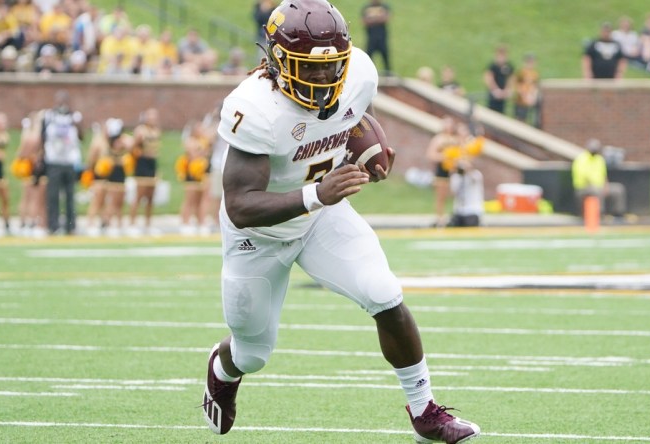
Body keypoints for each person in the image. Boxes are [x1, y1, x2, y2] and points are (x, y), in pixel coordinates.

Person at [201, 2, 480, 443]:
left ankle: (425, 410)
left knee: (384, 294)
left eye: (332, 67)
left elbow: (350, 115)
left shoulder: (358, 74)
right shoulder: (253, 107)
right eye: (308, 69)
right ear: (277, 60)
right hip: (259, 235)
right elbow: (240, 203)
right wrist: (317, 193)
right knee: (252, 353)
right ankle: (222, 368)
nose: (323, 79)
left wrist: (366, 148)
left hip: (321, 218)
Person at [39, 90, 83, 235]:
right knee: (53, 195)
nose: (62, 103)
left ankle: (71, 226)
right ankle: (53, 225)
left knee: (70, 195)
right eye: (59, 100)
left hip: (69, 161)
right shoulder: (49, 116)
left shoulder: (74, 116)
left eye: (64, 100)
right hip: (54, 161)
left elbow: (82, 136)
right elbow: (42, 137)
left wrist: (77, 124)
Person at [571, 138, 627, 219]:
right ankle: (600, 215)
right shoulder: (581, 159)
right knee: (596, 191)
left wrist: (606, 186)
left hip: (599, 186)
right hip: (583, 188)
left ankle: (618, 214)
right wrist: (599, 187)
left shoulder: (600, 159)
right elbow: (584, 177)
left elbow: (604, 176)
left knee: (618, 189)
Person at [128, 108, 161, 235]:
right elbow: (133, 147)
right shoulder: (140, 131)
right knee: (139, 195)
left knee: (151, 196)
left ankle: (148, 224)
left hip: (152, 163)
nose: (154, 119)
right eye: (151, 116)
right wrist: (138, 153)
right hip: (142, 163)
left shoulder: (156, 131)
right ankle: (132, 224)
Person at [425, 116, 458, 227]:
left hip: (453, 171)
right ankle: (440, 217)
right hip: (441, 172)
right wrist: (444, 156)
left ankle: (452, 216)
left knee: (453, 195)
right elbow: (431, 154)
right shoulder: (438, 139)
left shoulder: (455, 139)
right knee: (441, 195)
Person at [448, 158, 484, 227]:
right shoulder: (456, 177)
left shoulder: (476, 174)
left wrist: (467, 170)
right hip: (459, 211)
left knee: (470, 224)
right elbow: (452, 193)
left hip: (472, 210)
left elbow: (474, 179)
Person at [360, 0, 391, 74]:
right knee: (369, 59)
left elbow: (387, 18)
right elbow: (363, 21)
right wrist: (378, 17)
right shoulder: (366, 7)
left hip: (382, 38)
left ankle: (388, 76)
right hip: (371, 39)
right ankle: (368, 74)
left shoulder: (384, 7)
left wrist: (372, 18)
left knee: (386, 59)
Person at [483, 45, 513, 114]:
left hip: (503, 94)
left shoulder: (508, 66)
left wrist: (507, 89)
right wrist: (495, 89)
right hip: (494, 95)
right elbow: (488, 78)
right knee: (492, 112)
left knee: (501, 112)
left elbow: (511, 78)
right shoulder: (493, 66)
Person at [513, 53, 540, 127]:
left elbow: (535, 86)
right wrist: (524, 96)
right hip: (521, 101)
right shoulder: (521, 72)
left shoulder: (535, 74)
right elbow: (518, 85)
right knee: (520, 119)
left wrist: (533, 96)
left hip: (530, 99)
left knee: (529, 120)